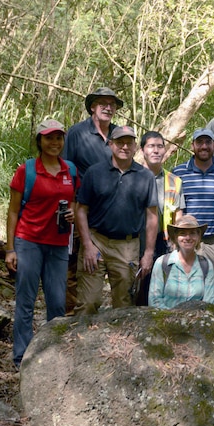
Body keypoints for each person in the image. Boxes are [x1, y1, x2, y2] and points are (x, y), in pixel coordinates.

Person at [6, 119, 77, 369]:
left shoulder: (71, 170)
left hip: (58, 244)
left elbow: (75, 203)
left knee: (57, 302)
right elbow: (13, 211)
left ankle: (52, 353)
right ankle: (21, 357)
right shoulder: (27, 170)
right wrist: (10, 249)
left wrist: (72, 214)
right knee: (26, 300)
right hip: (28, 242)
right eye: (49, 138)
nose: (54, 142)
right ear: (40, 141)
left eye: (58, 138)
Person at [73, 126, 158, 314]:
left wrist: (149, 253)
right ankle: (82, 341)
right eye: (120, 142)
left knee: (124, 305)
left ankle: (121, 343)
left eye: (129, 142)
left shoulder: (146, 177)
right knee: (88, 302)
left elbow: (152, 216)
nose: (125, 146)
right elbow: (81, 210)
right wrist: (87, 244)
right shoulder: (95, 172)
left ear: (136, 146)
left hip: (127, 247)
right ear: (110, 144)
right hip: (96, 241)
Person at [61, 86, 124, 313]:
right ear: (92, 107)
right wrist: (69, 205)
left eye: (112, 104)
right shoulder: (77, 133)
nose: (108, 107)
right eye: (103, 103)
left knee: (106, 267)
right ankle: (70, 318)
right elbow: (65, 170)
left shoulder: (119, 135)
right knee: (74, 264)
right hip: (82, 209)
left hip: (112, 214)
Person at [172, 129, 214, 299]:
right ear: (192, 145)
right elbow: (174, 207)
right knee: (187, 281)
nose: (204, 146)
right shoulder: (179, 172)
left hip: (213, 238)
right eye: (200, 142)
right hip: (188, 237)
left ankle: (211, 317)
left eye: (208, 142)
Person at [134, 131, 185, 306]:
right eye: (151, 146)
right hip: (136, 238)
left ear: (165, 150)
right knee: (137, 283)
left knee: (161, 283)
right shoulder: (132, 176)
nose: (155, 150)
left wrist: (177, 241)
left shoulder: (174, 181)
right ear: (142, 150)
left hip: (164, 239)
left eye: (160, 146)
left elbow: (179, 213)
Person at [148, 215, 214, 308]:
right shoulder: (162, 263)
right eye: (183, 233)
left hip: (197, 320)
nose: (188, 237)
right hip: (166, 320)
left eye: (192, 233)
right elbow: (154, 301)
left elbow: (209, 303)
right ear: (176, 237)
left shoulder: (206, 265)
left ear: (198, 237)